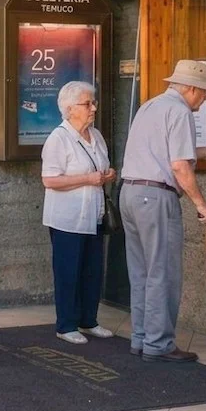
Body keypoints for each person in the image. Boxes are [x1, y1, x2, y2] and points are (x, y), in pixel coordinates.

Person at [120, 60, 206, 363]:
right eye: (204, 92)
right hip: (157, 198)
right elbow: (179, 165)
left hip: (131, 193)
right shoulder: (180, 111)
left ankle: (142, 338)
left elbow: (172, 153)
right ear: (190, 88)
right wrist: (202, 204)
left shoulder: (151, 106)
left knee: (141, 272)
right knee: (163, 272)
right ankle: (159, 344)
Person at [41, 81, 116, 345]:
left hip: (93, 215)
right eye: (88, 104)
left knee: (92, 270)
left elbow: (102, 168)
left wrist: (108, 175)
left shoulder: (96, 136)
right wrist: (88, 179)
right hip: (67, 218)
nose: (93, 107)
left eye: (93, 102)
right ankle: (66, 324)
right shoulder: (58, 139)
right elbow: (49, 180)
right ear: (70, 109)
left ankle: (89, 320)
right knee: (68, 271)